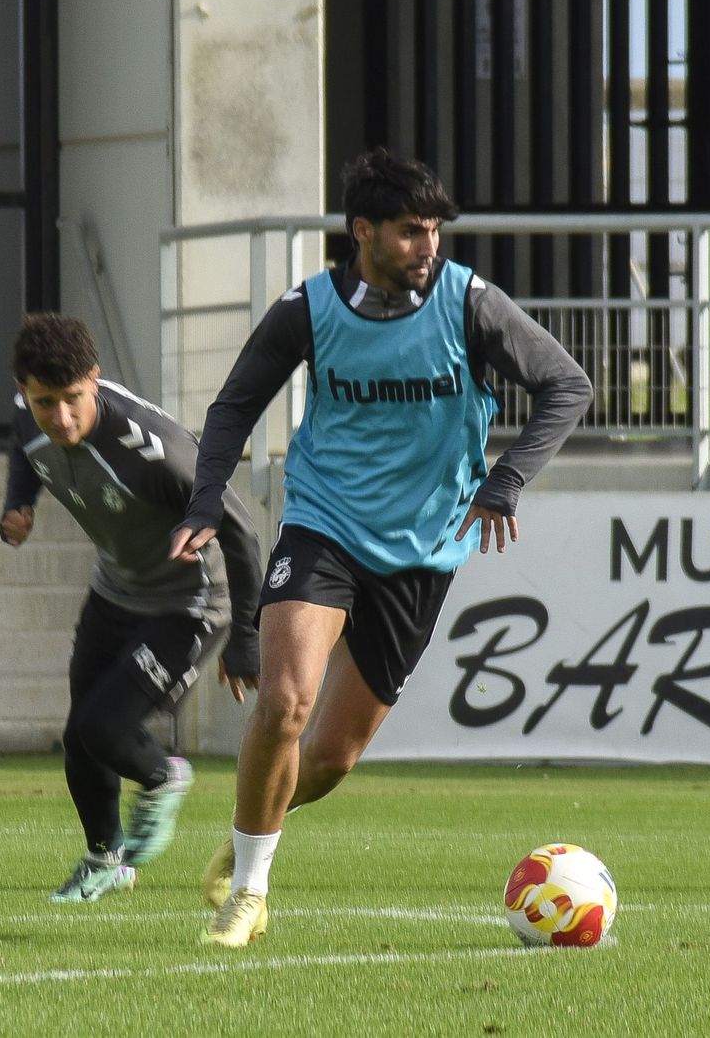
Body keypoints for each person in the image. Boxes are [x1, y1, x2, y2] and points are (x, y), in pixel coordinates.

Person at [171, 147, 592, 948]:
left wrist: (505, 481)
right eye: (409, 232)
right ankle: (251, 894)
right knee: (286, 699)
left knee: (328, 757)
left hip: (423, 552)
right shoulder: (308, 310)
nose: (427, 246)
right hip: (323, 525)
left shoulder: (471, 304)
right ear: (361, 231)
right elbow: (232, 410)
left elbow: (567, 385)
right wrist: (202, 500)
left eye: (433, 230)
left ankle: (248, 828)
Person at [2, 312, 263, 903]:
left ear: (93, 379)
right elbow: (24, 447)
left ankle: (162, 775)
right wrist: (20, 503)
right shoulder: (28, 414)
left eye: (73, 400)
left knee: (105, 727)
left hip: (190, 603)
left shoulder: (154, 449)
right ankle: (106, 860)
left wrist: (247, 636)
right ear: (24, 390)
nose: (61, 419)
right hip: (115, 590)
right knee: (79, 738)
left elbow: (242, 530)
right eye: (45, 403)